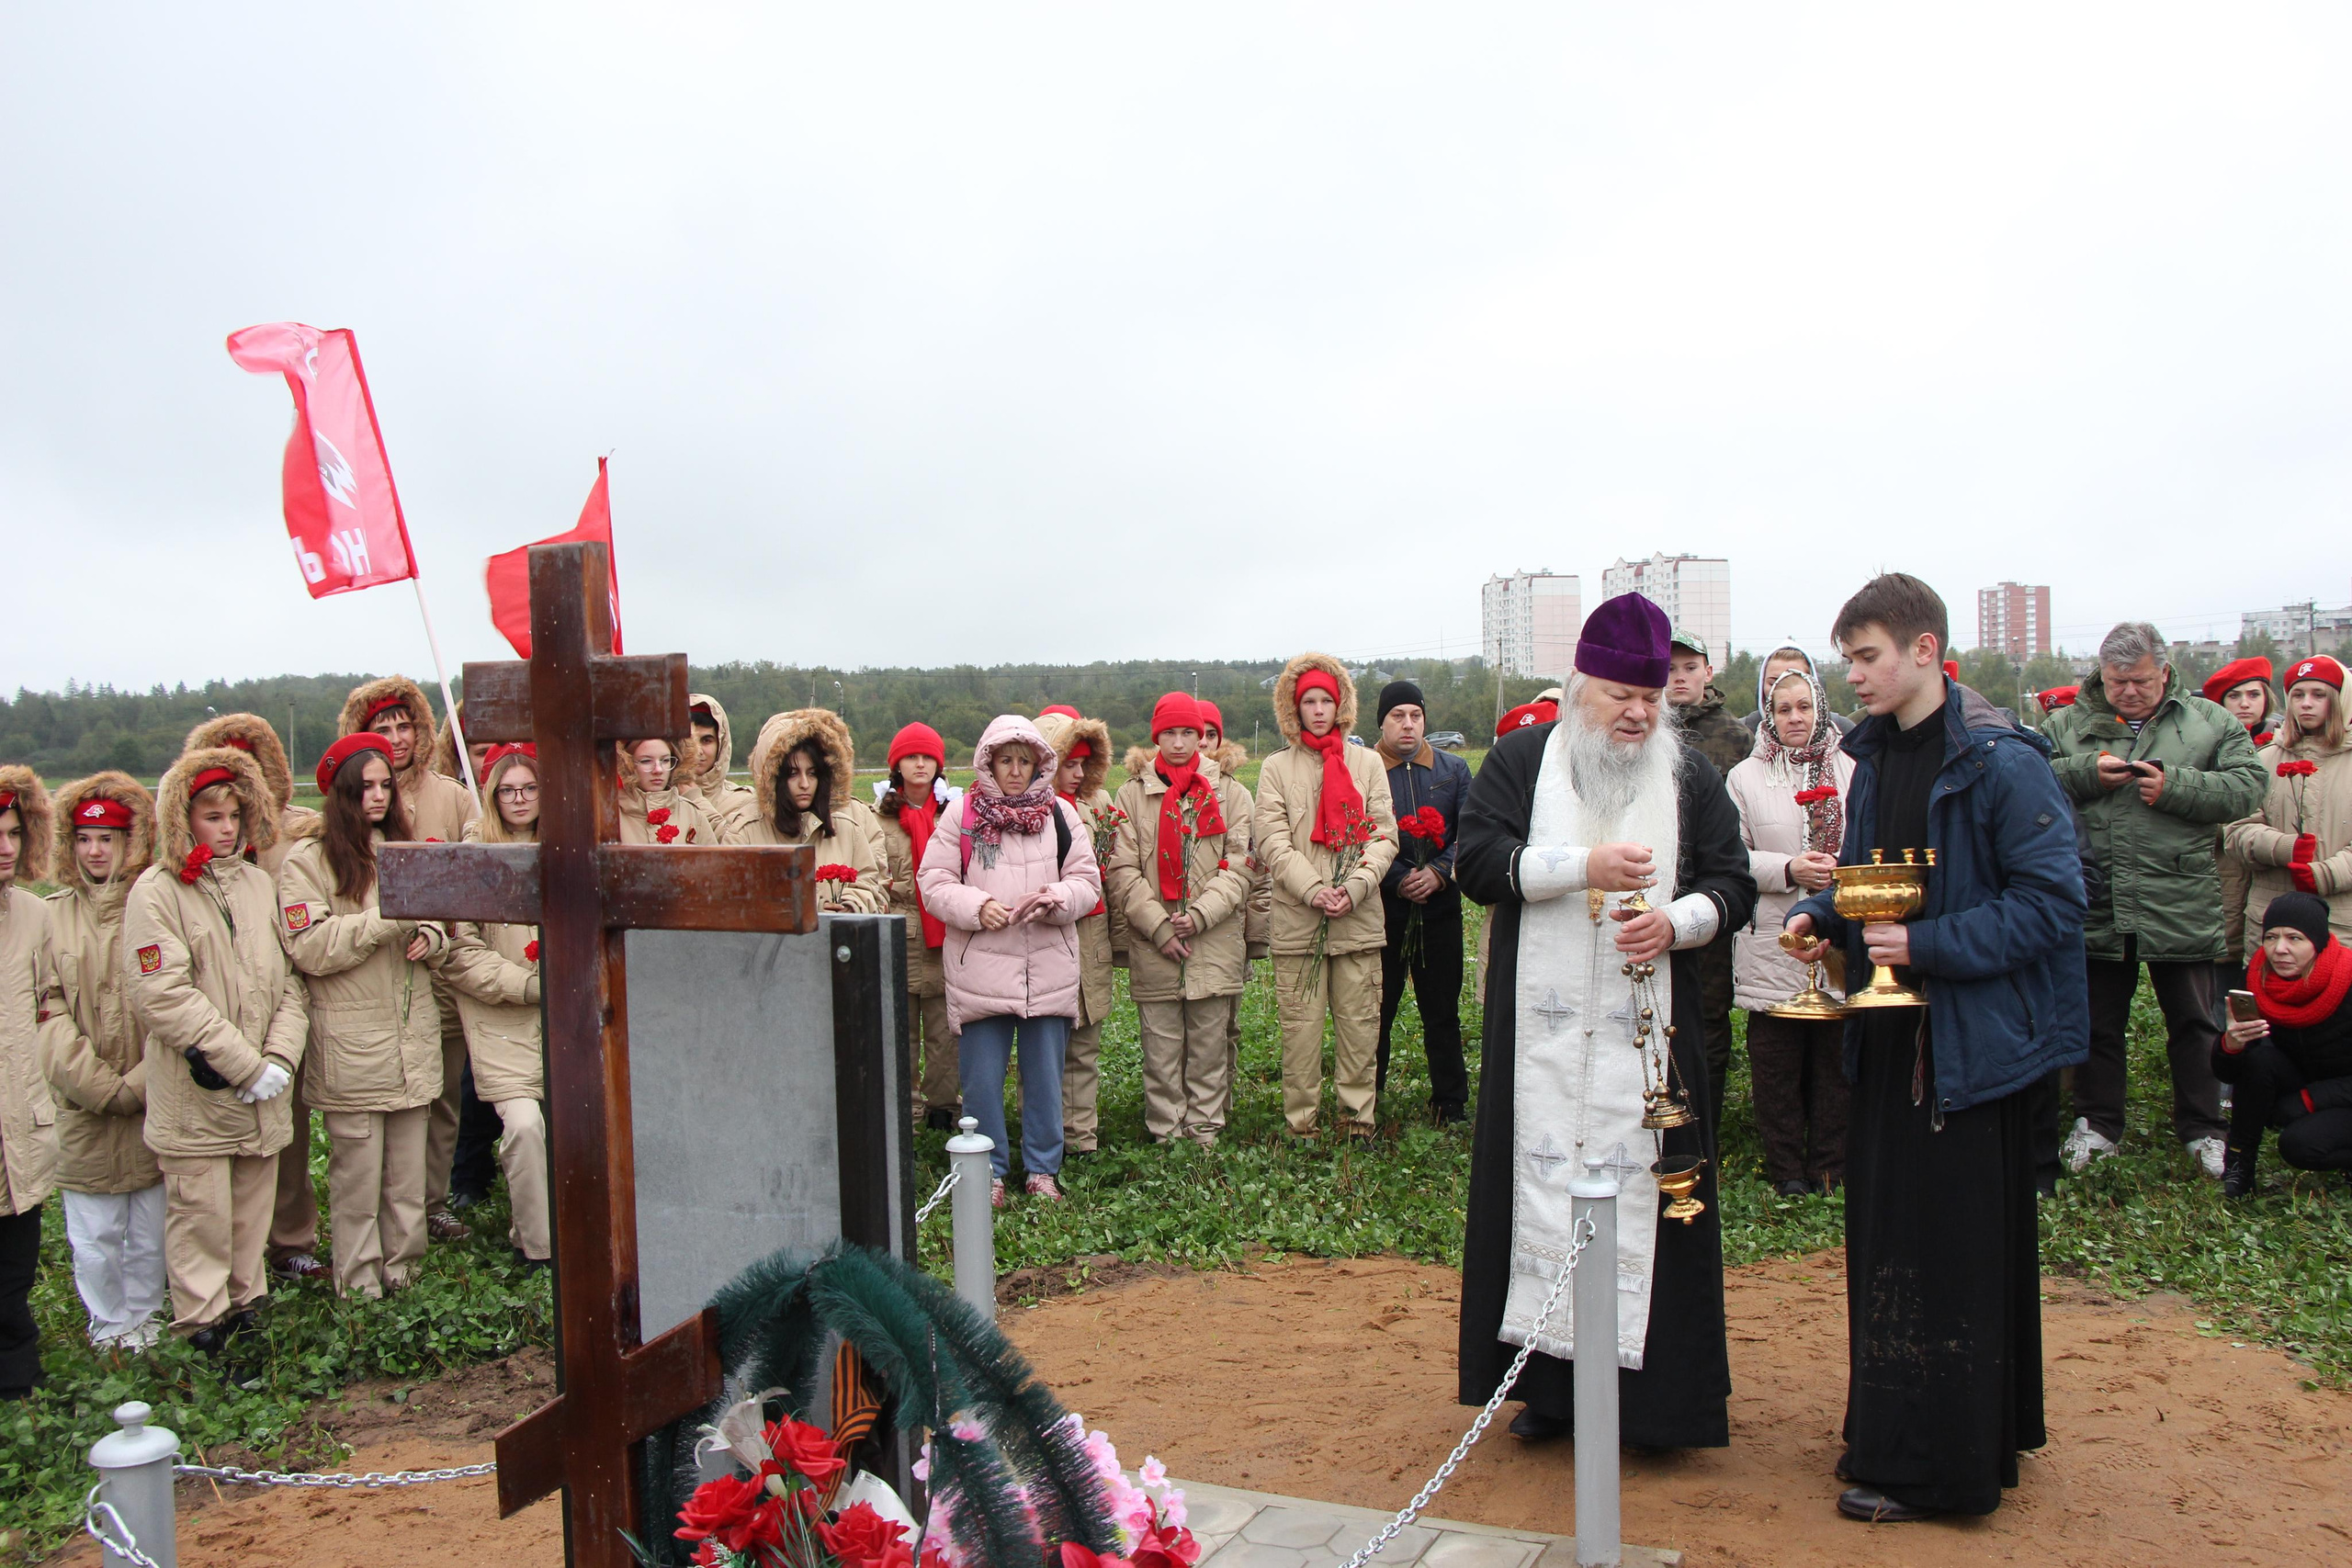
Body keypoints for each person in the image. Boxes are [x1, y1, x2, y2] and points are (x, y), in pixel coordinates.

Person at [1785, 573, 2086, 1522]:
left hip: (1965, 1050)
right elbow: (1871, 880)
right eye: (1847, 659)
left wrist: (1927, 947)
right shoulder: (1874, 757)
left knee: (1952, 1255)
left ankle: (1944, 1472)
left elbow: (2052, 905)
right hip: (1885, 1042)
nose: (1853, 676)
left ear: (1924, 650)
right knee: (1891, 1245)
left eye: (1866, 656)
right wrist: (1821, 912)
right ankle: (1898, 1433)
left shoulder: (2002, 761)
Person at [1454, 593, 1757, 1450]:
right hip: (1542, 1040)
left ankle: (1659, 1407)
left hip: (1650, 1045)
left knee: (1652, 1205)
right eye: (1621, 695)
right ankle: (1547, 1392)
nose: (1638, 713)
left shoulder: (1688, 776)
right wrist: (1580, 865)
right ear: (1580, 686)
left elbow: (1733, 884)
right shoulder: (1523, 759)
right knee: (1539, 1195)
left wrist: (1676, 922)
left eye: (1651, 698)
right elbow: (1477, 861)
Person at [2043, 622, 2265, 1179]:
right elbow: (2029, 778)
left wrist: (2177, 787)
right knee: (2098, 1021)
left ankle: (2204, 1127)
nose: (2128, 692)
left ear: (2164, 673)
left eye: (2140, 681)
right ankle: (2097, 1123)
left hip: (2180, 895)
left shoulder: (2209, 722)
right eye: (2116, 682)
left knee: (2195, 1021)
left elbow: (2249, 786)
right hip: (2099, 896)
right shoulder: (2066, 724)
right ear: (2100, 674)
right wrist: (2085, 774)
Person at [124, 744, 306, 1358]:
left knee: (251, 1213)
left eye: (234, 816)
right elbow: (163, 992)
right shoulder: (157, 892)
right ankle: (204, 1325)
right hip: (199, 1093)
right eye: (212, 817)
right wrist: (243, 1064)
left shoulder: (258, 883)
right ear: (184, 819)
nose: (227, 829)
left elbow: (290, 982)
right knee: (201, 1215)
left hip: (261, 1096)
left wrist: (279, 1059)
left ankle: (248, 1310)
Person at [279, 734, 450, 1299]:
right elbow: (309, 947)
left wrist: (432, 936)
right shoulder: (308, 862)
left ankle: (405, 1274)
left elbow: (440, 917)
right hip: (352, 1044)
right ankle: (357, 1283)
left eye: (385, 786)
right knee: (357, 1176)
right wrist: (386, 920)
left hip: (411, 1035)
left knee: (408, 1176)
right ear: (342, 795)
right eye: (365, 788)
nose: (378, 796)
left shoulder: (406, 850)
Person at [917, 715, 1102, 1205]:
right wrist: (978, 907)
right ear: (988, 763)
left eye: (1024, 761)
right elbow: (933, 881)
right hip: (981, 972)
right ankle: (989, 1171)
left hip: (1048, 968)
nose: (1015, 771)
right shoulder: (961, 815)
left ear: (1039, 764)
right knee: (981, 1082)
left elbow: (1087, 881)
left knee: (1045, 1079)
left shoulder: (1061, 814)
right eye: (1005, 761)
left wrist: (1057, 899)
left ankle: (1042, 1169)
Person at [184, 713, 329, 1283]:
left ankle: (290, 1238)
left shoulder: (299, 834)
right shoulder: (177, 855)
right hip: (210, 1011)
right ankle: (215, 1257)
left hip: (280, 1005)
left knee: (284, 1129)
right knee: (207, 1141)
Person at [339, 678, 479, 1243]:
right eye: (383, 728)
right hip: (370, 978)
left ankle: (431, 1202)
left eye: (405, 726)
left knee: (440, 1095)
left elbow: (477, 865)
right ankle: (379, 1212)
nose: (397, 738)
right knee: (374, 1107)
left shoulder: (453, 797)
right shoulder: (346, 809)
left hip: (438, 969)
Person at [41, 772, 167, 1349]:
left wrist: (139, 1083)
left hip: (152, 1100)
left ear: (130, 841)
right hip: (83, 1106)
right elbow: (44, 1011)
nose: (95, 851)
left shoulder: (156, 906)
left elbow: (174, 997)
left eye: (108, 839)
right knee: (94, 1235)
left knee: (149, 1227)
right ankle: (109, 1325)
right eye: (84, 839)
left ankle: (147, 1318)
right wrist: (96, 1086)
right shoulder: (50, 918)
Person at [1256, 656, 1399, 1138]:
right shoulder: (1276, 767)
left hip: (1357, 922)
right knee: (1300, 1032)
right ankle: (1302, 1124)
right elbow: (1272, 840)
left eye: (1326, 701)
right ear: (1293, 709)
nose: (1318, 711)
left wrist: (1355, 887)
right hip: (1300, 924)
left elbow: (1384, 835)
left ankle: (1357, 1120)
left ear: (1341, 706)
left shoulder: (1368, 763)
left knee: (1360, 1029)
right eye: (1308, 702)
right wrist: (1314, 890)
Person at [1726, 670, 1855, 1196]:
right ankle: (1786, 1172)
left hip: (1838, 935)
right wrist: (1788, 868)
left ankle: (1830, 1168)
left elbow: (1873, 839)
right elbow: (1730, 856)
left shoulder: (1853, 767)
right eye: (1783, 709)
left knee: (1835, 1063)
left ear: (1821, 708)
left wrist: (1843, 868)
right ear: (1768, 715)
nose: (1795, 718)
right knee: (1775, 1065)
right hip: (1772, 942)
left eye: (1804, 707)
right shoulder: (1745, 777)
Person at [1105, 694, 1253, 1145]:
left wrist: (1202, 914)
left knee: (1209, 1045)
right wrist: (1159, 926)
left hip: (1213, 941)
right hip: (1156, 946)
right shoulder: (1131, 795)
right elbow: (1122, 869)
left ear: (1201, 736)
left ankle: (1205, 1130)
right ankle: (1166, 1131)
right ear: (1156, 737)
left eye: (1188, 733)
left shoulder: (1231, 794)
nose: (1178, 742)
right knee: (1161, 1048)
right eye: (1169, 733)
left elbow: (1241, 864)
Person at [439, 744, 551, 1264]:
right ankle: (539, 1249)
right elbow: (461, 953)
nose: (520, 799)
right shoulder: (472, 859)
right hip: (502, 1021)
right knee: (524, 1127)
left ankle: (574, 1232)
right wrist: (526, 985)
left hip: (565, 1020)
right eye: (508, 791)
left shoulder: (568, 848)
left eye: (530, 788)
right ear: (492, 796)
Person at [1372, 679, 1472, 1125]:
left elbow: (1470, 830)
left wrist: (1439, 871)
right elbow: (1359, 832)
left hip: (1440, 908)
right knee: (1377, 1008)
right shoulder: (1365, 771)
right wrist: (1397, 879)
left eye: (1416, 715)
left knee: (1442, 1009)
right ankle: (1367, 1097)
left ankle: (1450, 1102)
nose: (1408, 724)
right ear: (1382, 722)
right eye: (1398, 716)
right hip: (1382, 911)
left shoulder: (1454, 770)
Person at [2214, 892, 2352, 1195]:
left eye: (2294, 938)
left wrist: (2308, 1100)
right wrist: (2231, 1045)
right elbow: (2229, 1073)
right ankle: (2238, 1166)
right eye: (2271, 937)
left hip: (2342, 1093)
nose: (2279, 949)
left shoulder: (2347, 979)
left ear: (2317, 943)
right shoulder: (2255, 980)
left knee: (2300, 1145)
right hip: (2305, 1079)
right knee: (2258, 1059)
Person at [1666, 628, 1747, 1131]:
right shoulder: (1643, 725)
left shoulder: (1735, 736)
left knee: (1710, 1011)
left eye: (1690, 668)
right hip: (1651, 886)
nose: (1679, 678)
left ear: (1708, 673)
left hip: (1708, 889)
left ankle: (1703, 1127)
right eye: (1670, 668)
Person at [1, 767, 64, 1395]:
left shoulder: (32, 914)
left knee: (14, 1273)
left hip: (17, 1125)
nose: (6, 847)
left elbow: (44, 1006)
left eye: (15, 833)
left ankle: (20, 1390)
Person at [1035, 709, 1121, 1156]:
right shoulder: (1027, 811)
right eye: (1069, 764)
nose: (1078, 774)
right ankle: (1044, 1138)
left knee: (1085, 1048)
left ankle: (1081, 1138)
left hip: (1091, 941)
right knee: (1045, 1052)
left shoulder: (1099, 805)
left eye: (1085, 764)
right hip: (1048, 941)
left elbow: (1118, 873)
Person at [2224, 655, 2352, 952]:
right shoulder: (2264, 759)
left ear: (2341, 699)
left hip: (2342, 923)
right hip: (2272, 923)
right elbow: (2237, 829)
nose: (2306, 704)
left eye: (2319, 695)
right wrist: (2284, 848)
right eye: (2298, 695)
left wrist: (2326, 874)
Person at [876, 723, 965, 1131]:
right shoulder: (879, 818)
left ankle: (944, 1106)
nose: (920, 764)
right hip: (900, 934)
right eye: (911, 757)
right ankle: (905, 1106)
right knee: (901, 1028)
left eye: (927, 757)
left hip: (945, 934)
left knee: (946, 1029)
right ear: (897, 764)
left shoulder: (954, 814)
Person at [739, 712, 886, 910]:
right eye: (793, 774)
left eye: (812, 773)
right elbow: (734, 902)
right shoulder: (745, 834)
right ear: (773, 778)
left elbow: (871, 885)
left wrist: (851, 906)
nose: (805, 784)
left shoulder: (848, 829)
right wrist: (812, 908)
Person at [1200, 699, 1269, 1078]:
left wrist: (1254, 937)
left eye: (1210, 734)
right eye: (1195, 733)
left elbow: (1256, 870)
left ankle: (1220, 1098)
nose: (1202, 742)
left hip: (1228, 928)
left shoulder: (1238, 794)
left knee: (1225, 1025)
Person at [1739, 645, 1856, 738]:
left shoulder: (1843, 730)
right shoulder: (1741, 734)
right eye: (1773, 682)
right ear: (1761, 686)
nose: (1783, 688)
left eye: (1795, 680)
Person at [684, 694, 760, 833]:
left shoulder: (743, 802)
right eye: (689, 741)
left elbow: (734, 844)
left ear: (721, 745)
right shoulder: (656, 795)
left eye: (706, 741)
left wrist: (696, 800)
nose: (698, 750)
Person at [2205, 656, 2278, 748]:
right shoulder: (2206, 745)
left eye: (2254, 695)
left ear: (2266, 698)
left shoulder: (2286, 742)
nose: (2244, 704)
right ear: (2222, 704)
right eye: (2234, 696)